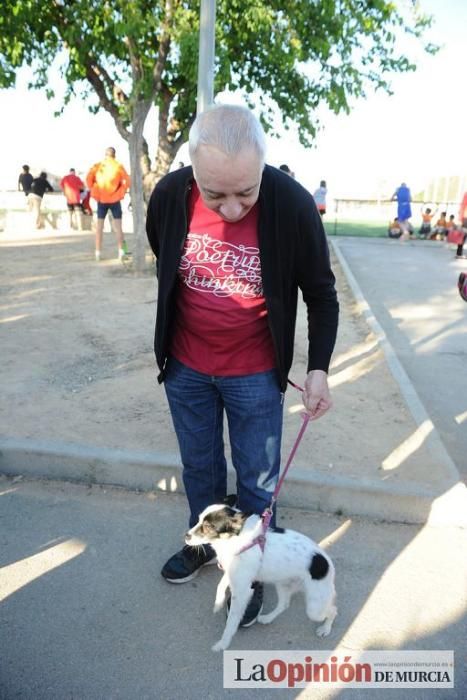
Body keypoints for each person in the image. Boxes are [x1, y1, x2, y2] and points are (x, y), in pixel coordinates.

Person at [146, 104, 339, 626]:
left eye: (245, 192)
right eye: (216, 194)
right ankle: (207, 543)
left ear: (262, 168)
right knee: (200, 466)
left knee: (256, 478)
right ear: (192, 173)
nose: (232, 209)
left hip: (255, 372)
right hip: (186, 366)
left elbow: (322, 294)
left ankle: (251, 566)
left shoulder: (293, 205)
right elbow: (163, 258)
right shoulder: (168, 195)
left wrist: (317, 367)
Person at [86, 147, 131, 261]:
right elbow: (127, 181)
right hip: (115, 199)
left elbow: (88, 179)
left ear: (105, 155)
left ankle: (98, 253)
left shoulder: (98, 166)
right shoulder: (118, 166)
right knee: (118, 227)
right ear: (114, 155)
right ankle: (121, 252)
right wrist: (121, 193)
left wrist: (95, 191)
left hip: (101, 200)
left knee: (99, 228)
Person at [456, 192, 467, 259]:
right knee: (463, 236)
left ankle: (459, 253)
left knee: (463, 236)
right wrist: (460, 219)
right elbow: (463, 206)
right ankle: (459, 253)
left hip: (465, 218)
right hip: (465, 219)